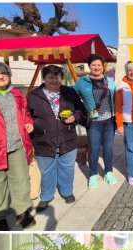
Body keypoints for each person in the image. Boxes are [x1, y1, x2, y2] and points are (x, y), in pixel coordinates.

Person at [0, 61, 36, 231]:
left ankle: (22, 212)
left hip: (17, 145)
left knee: (21, 182)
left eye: (4, 73)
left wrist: (28, 122)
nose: (0, 76)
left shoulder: (16, 93)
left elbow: (25, 114)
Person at [27, 65, 85, 212]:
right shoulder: (34, 95)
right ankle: (46, 196)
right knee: (47, 170)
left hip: (67, 137)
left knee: (67, 167)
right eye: (50, 77)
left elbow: (80, 109)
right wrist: (29, 124)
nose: (54, 80)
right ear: (44, 79)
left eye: (57, 77)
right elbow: (27, 115)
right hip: (43, 139)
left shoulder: (69, 92)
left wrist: (75, 117)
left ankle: (67, 192)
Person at [74, 54, 117, 188]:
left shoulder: (110, 81)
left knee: (108, 148)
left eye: (99, 65)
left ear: (103, 66)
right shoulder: (82, 82)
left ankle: (108, 172)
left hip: (109, 120)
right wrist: (82, 112)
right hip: (94, 122)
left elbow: (116, 98)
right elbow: (72, 98)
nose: (97, 67)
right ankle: (93, 174)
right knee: (94, 148)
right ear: (89, 66)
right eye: (94, 65)